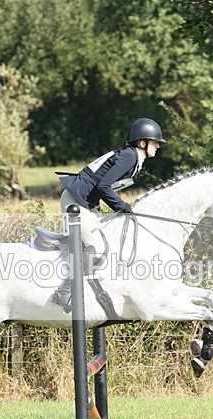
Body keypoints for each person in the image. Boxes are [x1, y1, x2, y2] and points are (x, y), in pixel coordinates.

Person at [51, 117, 166, 311]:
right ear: (143, 142)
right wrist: (122, 206)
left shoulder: (133, 157)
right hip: (75, 201)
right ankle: (64, 291)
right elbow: (103, 186)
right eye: (155, 142)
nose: (158, 146)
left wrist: (122, 207)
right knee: (95, 246)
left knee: (107, 237)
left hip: (83, 201)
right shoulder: (130, 156)